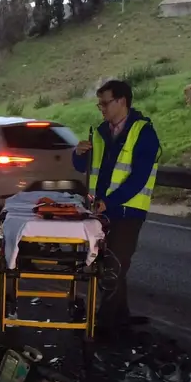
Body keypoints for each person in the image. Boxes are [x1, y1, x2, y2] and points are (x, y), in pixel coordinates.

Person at [73, 79, 161, 337]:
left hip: (127, 212)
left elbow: (139, 178)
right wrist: (78, 153)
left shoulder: (143, 133)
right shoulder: (101, 132)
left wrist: (109, 202)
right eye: (99, 104)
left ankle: (107, 323)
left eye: (105, 103)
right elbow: (83, 168)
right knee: (105, 265)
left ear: (121, 101)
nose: (101, 108)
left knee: (114, 265)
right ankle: (119, 318)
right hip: (101, 212)